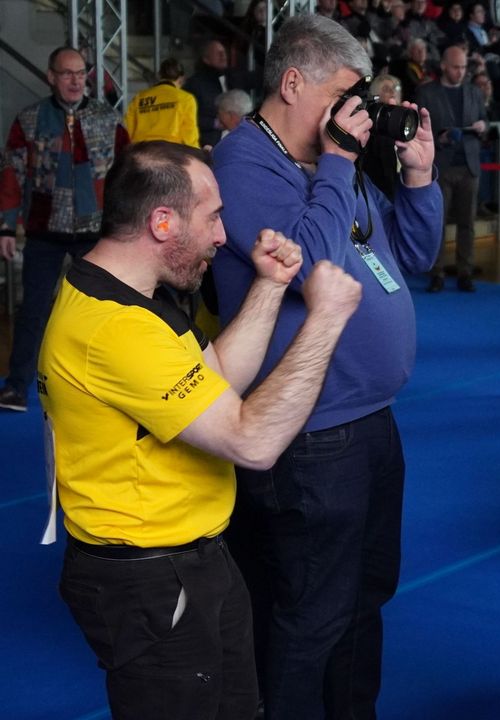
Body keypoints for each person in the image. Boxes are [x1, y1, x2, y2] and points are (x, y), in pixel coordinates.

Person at [41, 140, 363, 720]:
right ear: (163, 222)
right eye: (213, 218)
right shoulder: (116, 329)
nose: (222, 236)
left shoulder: (136, 296)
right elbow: (252, 442)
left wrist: (269, 284)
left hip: (195, 557)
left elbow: (215, 381)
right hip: (150, 580)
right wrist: (326, 320)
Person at [209, 15, 443, 720]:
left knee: (366, 596)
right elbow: (307, 263)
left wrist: (418, 175)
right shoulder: (245, 161)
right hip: (311, 434)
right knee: (310, 614)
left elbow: (411, 253)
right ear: (292, 82)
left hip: (371, 419)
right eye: (344, 94)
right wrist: (340, 161)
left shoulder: (328, 161)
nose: (356, 112)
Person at [0, 46, 129, 413]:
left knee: (104, 310)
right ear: (51, 76)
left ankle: (108, 387)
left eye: (81, 73)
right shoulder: (29, 120)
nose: (75, 80)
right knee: (33, 310)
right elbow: (11, 175)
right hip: (44, 230)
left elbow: (126, 174)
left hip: (97, 231)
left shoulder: (108, 119)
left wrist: (126, 224)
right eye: (67, 73)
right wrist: (6, 227)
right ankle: (16, 387)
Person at [417, 44, 486, 292]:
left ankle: (465, 272)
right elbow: (418, 129)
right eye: (456, 67)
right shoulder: (426, 93)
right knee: (437, 223)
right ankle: (436, 272)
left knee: (468, 223)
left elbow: (485, 120)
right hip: (440, 166)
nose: (460, 72)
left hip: (469, 165)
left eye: (464, 67)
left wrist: (483, 126)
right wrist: (439, 138)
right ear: (444, 66)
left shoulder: (474, 92)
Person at [185, 39, 248, 149]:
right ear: (206, 59)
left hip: (238, 140)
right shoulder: (195, 84)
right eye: (218, 53)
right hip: (210, 143)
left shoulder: (233, 77)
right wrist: (215, 123)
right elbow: (188, 117)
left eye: (224, 52)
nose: (223, 56)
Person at [124, 58, 200, 147]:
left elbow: (128, 129)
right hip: (170, 150)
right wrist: (196, 152)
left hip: (142, 149)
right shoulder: (186, 99)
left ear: (159, 75)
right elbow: (189, 133)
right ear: (181, 79)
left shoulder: (139, 98)